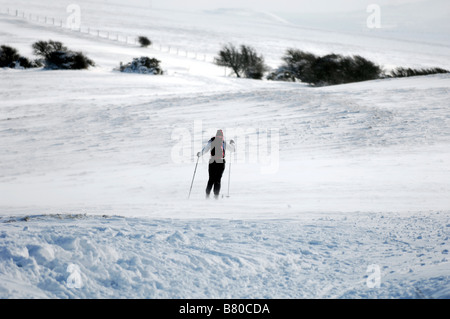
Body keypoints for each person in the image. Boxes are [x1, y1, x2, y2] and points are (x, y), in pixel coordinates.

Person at [197, 129, 235, 199]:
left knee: (211, 179)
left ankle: (207, 195)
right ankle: (216, 196)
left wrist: (199, 154)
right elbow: (233, 149)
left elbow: (205, 149)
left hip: (212, 162)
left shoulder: (212, 141)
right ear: (222, 136)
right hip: (221, 162)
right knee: (218, 179)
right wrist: (232, 143)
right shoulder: (223, 142)